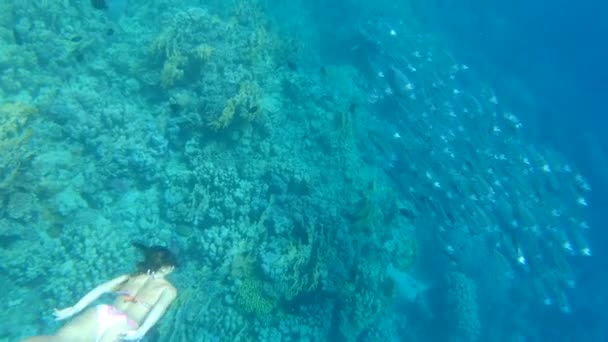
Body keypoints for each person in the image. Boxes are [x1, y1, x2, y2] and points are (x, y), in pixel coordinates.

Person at [23, 243, 178, 342]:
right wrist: (141, 331)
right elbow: (159, 309)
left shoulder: (130, 276)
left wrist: (74, 309)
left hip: (103, 313)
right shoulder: (168, 289)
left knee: (57, 340)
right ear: (170, 267)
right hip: (126, 326)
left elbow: (101, 288)